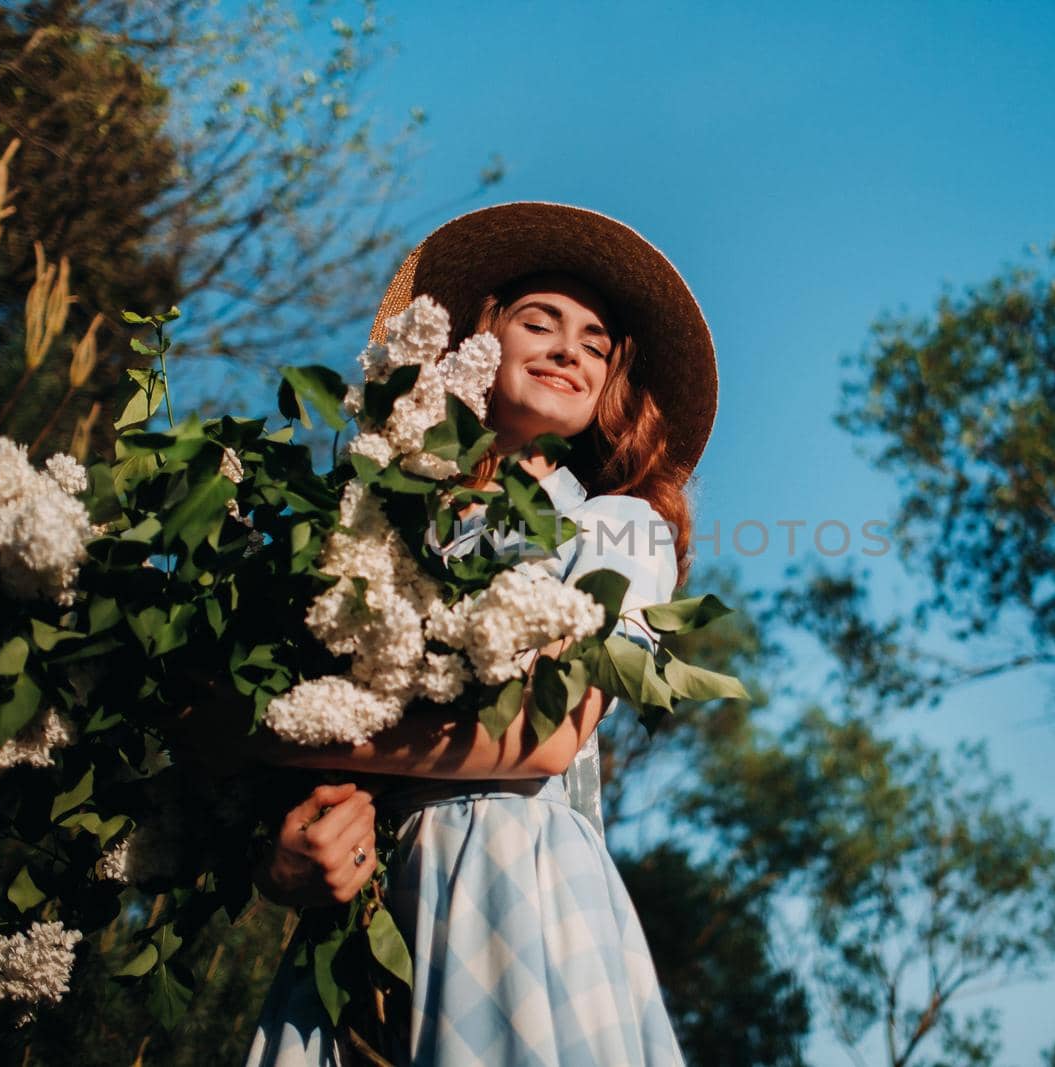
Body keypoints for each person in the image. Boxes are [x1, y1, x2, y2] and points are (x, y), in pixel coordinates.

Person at [243, 202, 717, 1067]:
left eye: (595, 343)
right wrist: (281, 846)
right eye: (540, 321)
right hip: (360, 920)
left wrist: (281, 735)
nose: (569, 347)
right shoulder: (366, 517)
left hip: (514, 878)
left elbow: (545, 739)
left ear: (610, 385)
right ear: (477, 340)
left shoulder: (616, 529)